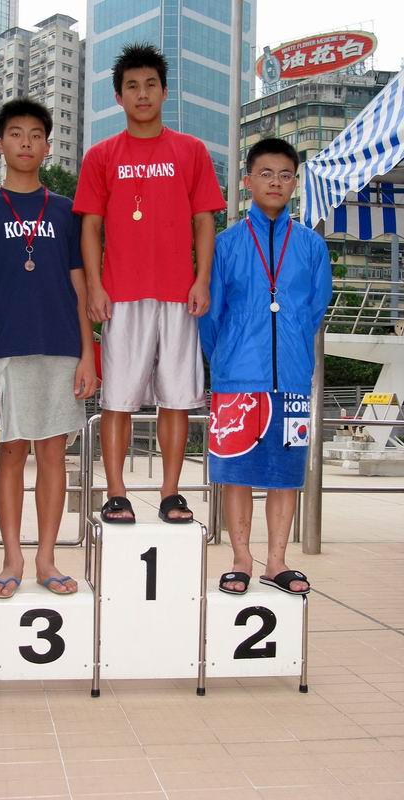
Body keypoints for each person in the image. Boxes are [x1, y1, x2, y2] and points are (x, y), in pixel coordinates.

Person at [73, 43, 225, 524]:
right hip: (121, 294)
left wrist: (202, 279)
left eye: (151, 85)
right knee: (117, 398)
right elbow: (91, 226)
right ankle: (115, 492)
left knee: (177, 398)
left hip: (179, 294)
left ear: (164, 91)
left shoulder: (191, 150)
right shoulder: (101, 155)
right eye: (132, 86)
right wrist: (95, 287)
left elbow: (205, 221)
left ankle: (170, 492)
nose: (142, 94)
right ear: (119, 96)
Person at [0, 98, 97, 599]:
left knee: (53, 453)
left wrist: (88, 353)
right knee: (11, 451)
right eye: (16, 134)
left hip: (61, 347)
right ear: (0, 144)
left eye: (35, 135)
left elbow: (81, 285)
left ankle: (46, 558)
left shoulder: (66, 210)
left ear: (47, 146)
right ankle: (12, 558)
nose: (26, 142)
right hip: (5, 351)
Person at [199, 138, 333, 596]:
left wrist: (292, 348)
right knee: (236, 473)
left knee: (285, 475)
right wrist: (226, 359)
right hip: (237, 376)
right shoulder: (226, 244)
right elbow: (210, 316)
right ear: (247, 181)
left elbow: (314, 309)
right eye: (266, 174)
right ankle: (241, 558)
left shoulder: (311, 246)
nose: (276, 182)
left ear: (295, 184)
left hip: (291, 379)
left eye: (285, 175)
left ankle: (277, 561)